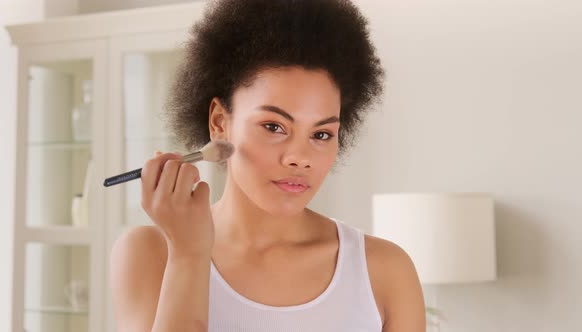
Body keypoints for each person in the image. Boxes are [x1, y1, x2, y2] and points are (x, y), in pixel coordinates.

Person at [110, 0, 426, 331]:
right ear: (220, 122)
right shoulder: (148, 253)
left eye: (321, 134)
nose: (299, 157)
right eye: (274, 127)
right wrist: (189, 254)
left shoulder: (386, 270)